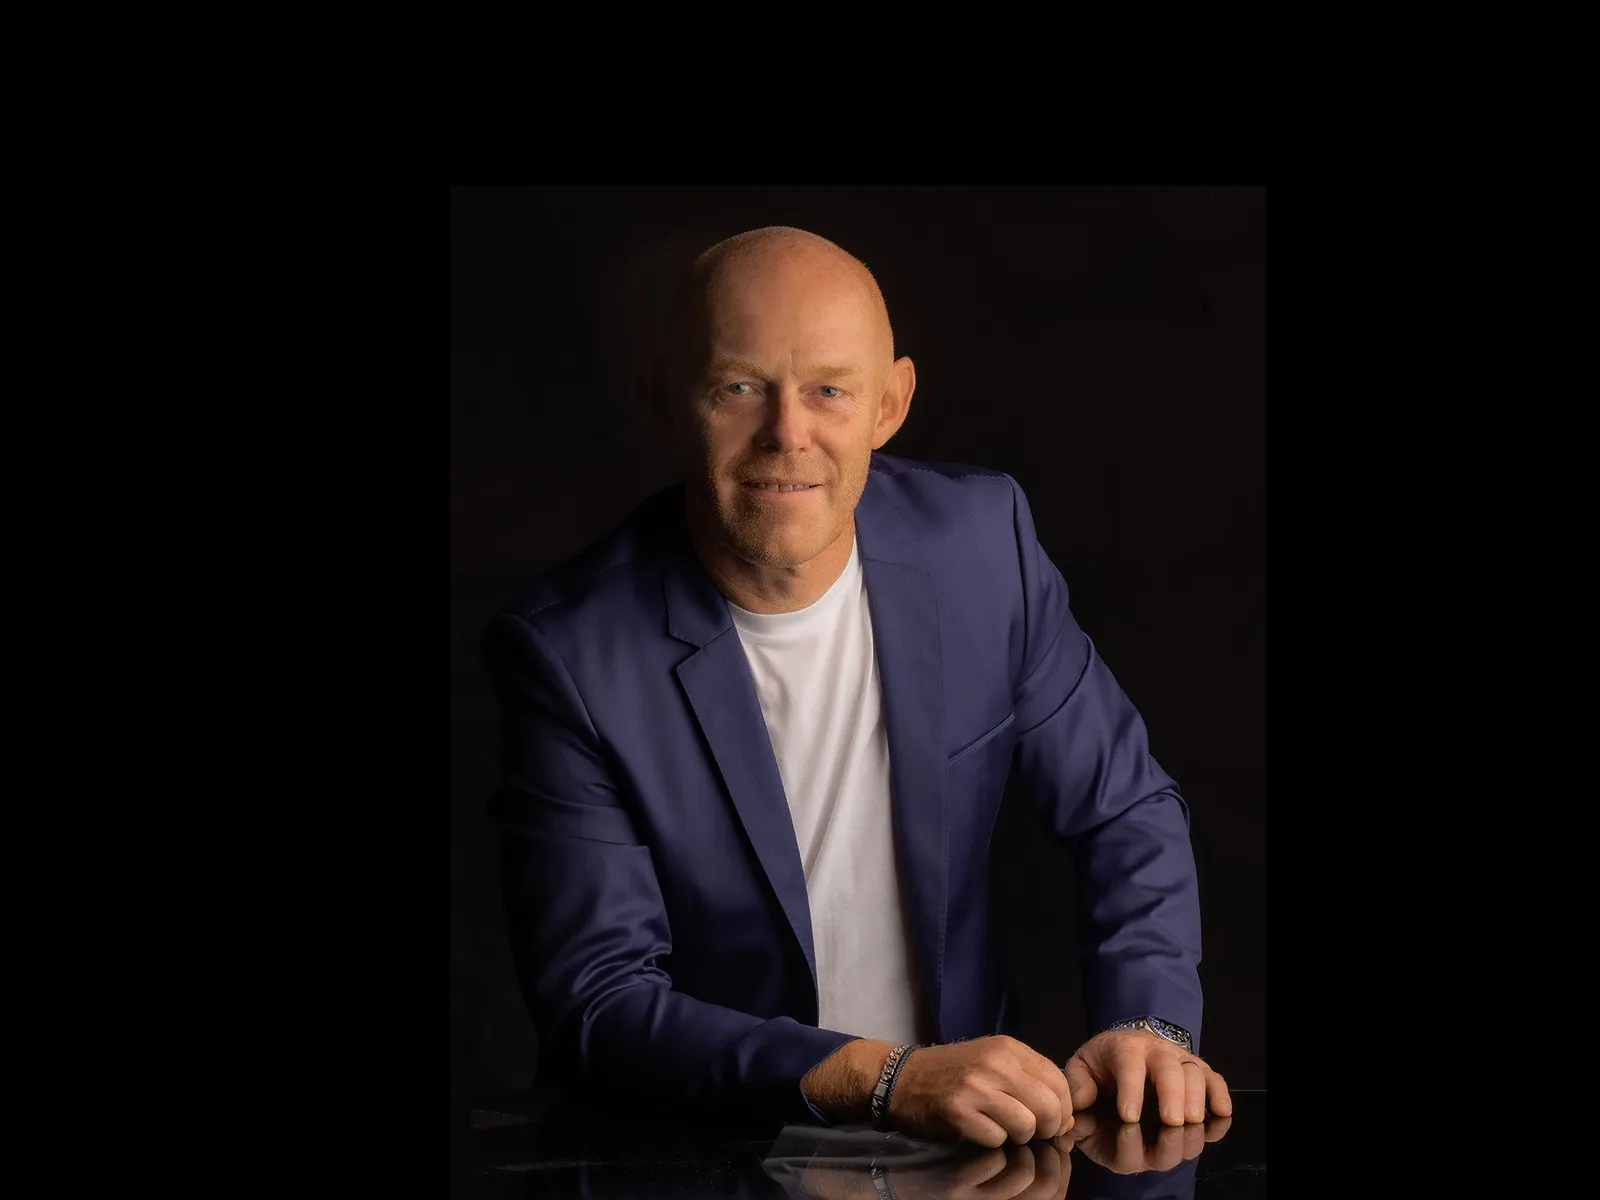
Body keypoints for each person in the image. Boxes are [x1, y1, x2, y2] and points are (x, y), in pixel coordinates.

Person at [483, 226, 1233, 1146]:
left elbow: (1124, 808)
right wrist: (881, 1077)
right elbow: (600, 1002)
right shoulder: (568, 654)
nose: (787, 435)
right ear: (663, 400)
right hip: (704, 1152)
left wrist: (1146, 1024)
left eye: (830, 391)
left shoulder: (980, 546)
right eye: (739, 387)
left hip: (968, 1146)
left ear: (890, 404)